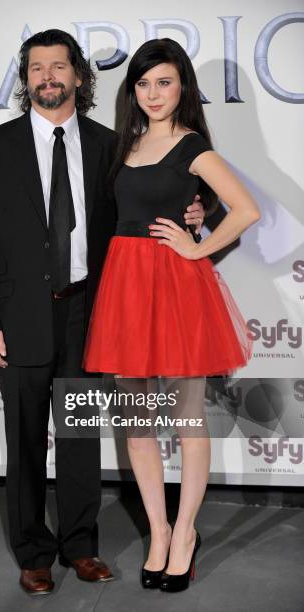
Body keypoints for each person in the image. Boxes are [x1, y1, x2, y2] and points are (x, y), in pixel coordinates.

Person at [0, 30, 206, 596]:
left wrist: (194, 213)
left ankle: (81, 546)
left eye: (58, 67)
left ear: (78, 77)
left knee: (78, 437)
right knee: (23, 442)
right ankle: (33, 553)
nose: (47, 76)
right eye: (36, 68)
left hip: (89, 315)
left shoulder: (108, 146)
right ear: (26, 80)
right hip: (16, 319)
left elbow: (143, 209)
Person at [83, 38, 260, 593]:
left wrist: (197, 246)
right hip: (126, 288)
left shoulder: (193, 147)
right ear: (131, 91)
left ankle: (185, 534)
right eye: (143, 83)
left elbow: (248, 211)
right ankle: (157, 532)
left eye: (164, 81)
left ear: (182, 86)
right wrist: (198, 215)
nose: (153, 93)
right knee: (137, 423)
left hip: (178, 289)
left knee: (186, 420)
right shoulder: (124, 146)